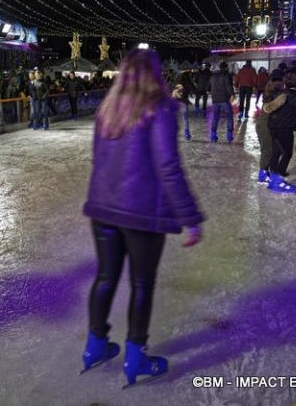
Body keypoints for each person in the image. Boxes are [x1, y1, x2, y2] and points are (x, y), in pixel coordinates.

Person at [81, 50, 204, 386]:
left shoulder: (107, 109)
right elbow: (168, 166)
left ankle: (94, 347)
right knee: (141, 284)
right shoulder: (160, 108)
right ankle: (135, 358)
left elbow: (98, 159)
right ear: (155, 73)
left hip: (103, 208)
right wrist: (190, 217)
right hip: (141, 212)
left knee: (105, 277)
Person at [255, 70, 287, 184]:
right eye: (280, 81)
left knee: (271, 150)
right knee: (267, 150)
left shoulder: (274, 91)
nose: (282, 83)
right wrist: (282, 98)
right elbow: (269, 108)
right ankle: (262, 175)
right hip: (264, 125)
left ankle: (265, 172)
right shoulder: (272, 93)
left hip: (267, 125)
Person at [207, 62, 235, 143]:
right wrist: (232, 94)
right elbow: (228, 86)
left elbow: (207, 88)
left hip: (215, 100)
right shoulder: (226, 75)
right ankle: (229, 135)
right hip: (224, 99)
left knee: (216, 117)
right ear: (226, 68)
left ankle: (213, 134)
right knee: (229, 117)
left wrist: (210, 91)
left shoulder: (212, 76)